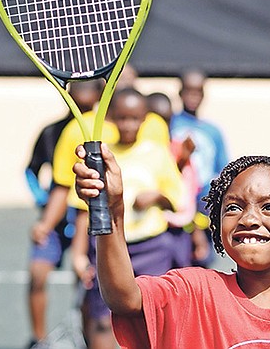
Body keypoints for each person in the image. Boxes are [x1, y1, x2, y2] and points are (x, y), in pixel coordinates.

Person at [73, 149, 270, 348]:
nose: (248, 219)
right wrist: (112, 212)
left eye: (269, 207)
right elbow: (124, 297)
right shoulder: (193, 291)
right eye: (233, 207)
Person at [71, 88, 187, 349]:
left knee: (152, 319)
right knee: (102, 319)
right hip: (110, 247)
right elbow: (82, 208)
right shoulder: (101, 156)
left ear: (145, 119)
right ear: (110, 117)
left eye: (134, 118)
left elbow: (178, 199)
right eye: (121, 118)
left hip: (152, 247)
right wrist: (79, 254)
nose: (127, 124)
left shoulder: (157, 153)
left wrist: (156, 197)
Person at [24, 81, 103, 347]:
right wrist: (45, 205)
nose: (81, 95)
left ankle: (87, 336)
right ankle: (38, 339)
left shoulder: (105, 130)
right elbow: (33, 171)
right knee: (37, 273)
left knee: (85, 280)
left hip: (89, 220)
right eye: (76, 89)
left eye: (88, 89)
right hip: (57, 217)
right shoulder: (52, 132)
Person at [170, 69, 229, 265]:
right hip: (177, 203)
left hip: (204, 205)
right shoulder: (170, 124)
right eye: (188, 91)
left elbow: (222, 170)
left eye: (198, 92)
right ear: (180, 93)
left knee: (203, 260)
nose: (193, 96)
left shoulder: (213, 131)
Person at [146, 91, 212, 265]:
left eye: (167, 121)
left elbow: (186, 197)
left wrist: (197, 233)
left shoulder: (178, 148)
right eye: (157, 121)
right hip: (149, 236)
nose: (163, 128)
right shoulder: (141, 154)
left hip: (180, 232)